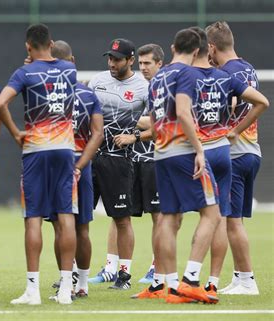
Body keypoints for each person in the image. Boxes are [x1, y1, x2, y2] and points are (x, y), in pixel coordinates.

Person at [0, 23, 77, 305]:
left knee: (33, 218)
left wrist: (16, 132)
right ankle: (66, 288)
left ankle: (33, 290)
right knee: (65, 215)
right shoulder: (70, 70)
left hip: (36, 150)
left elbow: (0, 104)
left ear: (28, 46)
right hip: (66, 149)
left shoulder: (24, 72)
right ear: (51, 43)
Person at [148, 28, 221, 304]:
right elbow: (182, 111)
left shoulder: (157, 78)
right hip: (183, 152)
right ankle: (190, 280)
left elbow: (155, 123)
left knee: (168, 216)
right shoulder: (188, 73)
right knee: (212, 213)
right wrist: (199, 150)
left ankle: (170, 285)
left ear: (172, 46)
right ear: (196, 52)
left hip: (162, 152)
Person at [205, 21, 270, 295]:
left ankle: (248, 281)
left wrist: (233, 131)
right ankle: (240, 276)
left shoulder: (227, 73)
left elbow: (255, 103)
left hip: (236, 154)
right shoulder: (248, 67)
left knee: (230, 221)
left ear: (211, 48)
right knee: (235, 220)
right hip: (251, 151)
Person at [87, 38, 149, 290]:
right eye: (110, 58)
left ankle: (124, 275)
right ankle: (74, 277)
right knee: (78, 219)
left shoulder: (144, 87)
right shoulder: (97, 81)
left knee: (122, 219)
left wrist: (134, 135)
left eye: (118, 59)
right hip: (91, 158)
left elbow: (158, 124)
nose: (112, 63)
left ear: (130, 60)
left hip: (120, 162)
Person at [46, 40, 103, 299]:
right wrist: (82, 165)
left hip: (56, 164)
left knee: (60, 226)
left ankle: (64, 280)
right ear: (73, 60)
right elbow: (97, 134)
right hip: (83, 162)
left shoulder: (45, 92)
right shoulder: (88, 94)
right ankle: (82, 284)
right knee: (82, 228)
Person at [115, 43, 164, 285]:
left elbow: (159, 125)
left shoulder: (161, 87)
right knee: (120, 215)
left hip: (156, 160)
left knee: (159, 216)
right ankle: (113, 268)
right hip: (133, 159)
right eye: (141, 63)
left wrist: (134, 125)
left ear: (159, 64)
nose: (144, 68)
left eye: (149, 63)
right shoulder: (139, 87)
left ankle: (158, 267)